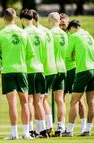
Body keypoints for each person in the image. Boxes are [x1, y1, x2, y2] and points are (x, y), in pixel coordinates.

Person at [0, 8, 34, 140]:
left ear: (4, 18)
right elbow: (31, 53)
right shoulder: (23, 33)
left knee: (12, 104)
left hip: (8, 71)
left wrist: (3, 64)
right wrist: (22, 62)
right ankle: (26, 133)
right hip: (21, 70)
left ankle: (14, 133)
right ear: (15, 18)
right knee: (25, 103)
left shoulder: (0, 34)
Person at [63, 20, 94, 136]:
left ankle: (69, 130)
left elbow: (68, 56)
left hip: (83, 70)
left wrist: (74, 55)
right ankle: (87, 130)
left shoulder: (74, 36)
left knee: (74, 101)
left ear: (72, 28)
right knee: (91, 101)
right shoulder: (89, 35)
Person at [20, 9, 47, 138]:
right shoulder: (41, 33)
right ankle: (42, 130)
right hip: (40, 69)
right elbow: (45, 54)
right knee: (39, 102)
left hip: (29, 70)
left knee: (29, 102)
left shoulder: (23, 33)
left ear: (23, 19)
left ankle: (30, 130)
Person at [59, 13, 87, 134]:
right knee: (61, 98)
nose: (61, 25)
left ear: (68, 22)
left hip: (72, 70)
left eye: (63, 23)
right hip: (60, 70)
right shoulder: (56, 34)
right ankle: (62, 126)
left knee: (79, 99)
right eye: (60, 23)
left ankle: (84, 126)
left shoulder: (73, 34)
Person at [31, 9, 56, 137]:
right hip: (52, 68)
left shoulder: (36, 32)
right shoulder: (48, 31)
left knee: (37, 100)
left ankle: (39, 129)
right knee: (44, 99)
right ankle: (49, 127)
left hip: (43, 69)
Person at [48, 12, 68, 136]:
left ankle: (46, 126)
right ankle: (61, 126)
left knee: (41, 98)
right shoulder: (64, 34)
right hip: (62, 67)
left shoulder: (49, 33)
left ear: (50, 20)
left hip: (52, 68)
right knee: (60, 100)